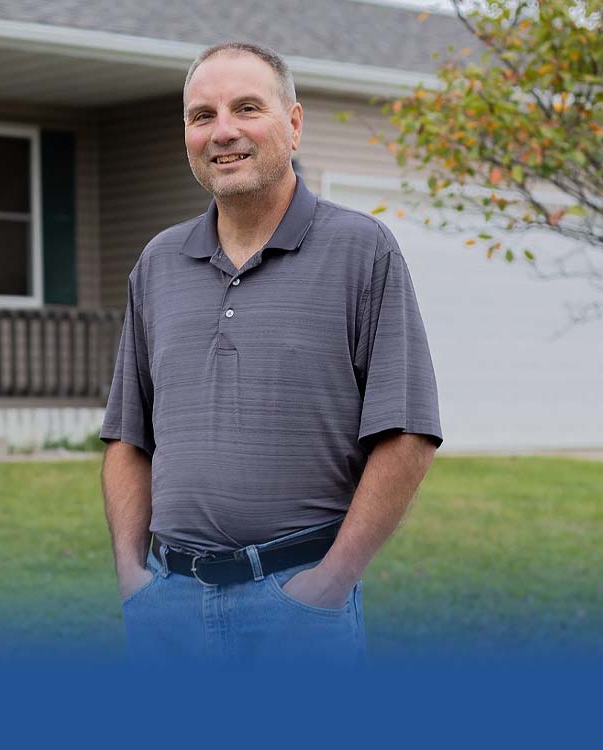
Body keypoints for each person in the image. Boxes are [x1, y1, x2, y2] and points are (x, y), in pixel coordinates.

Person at [99, 42, 443, 665]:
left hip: (297, 604)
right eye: (202, 115)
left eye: (247, 108)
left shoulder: (362, 251)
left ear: (294, 123)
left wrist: (328, 584)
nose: (223, 131)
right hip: (169, 608)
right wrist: (132, 577)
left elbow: (407, 434)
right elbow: (128, 438)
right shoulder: (158, 262)